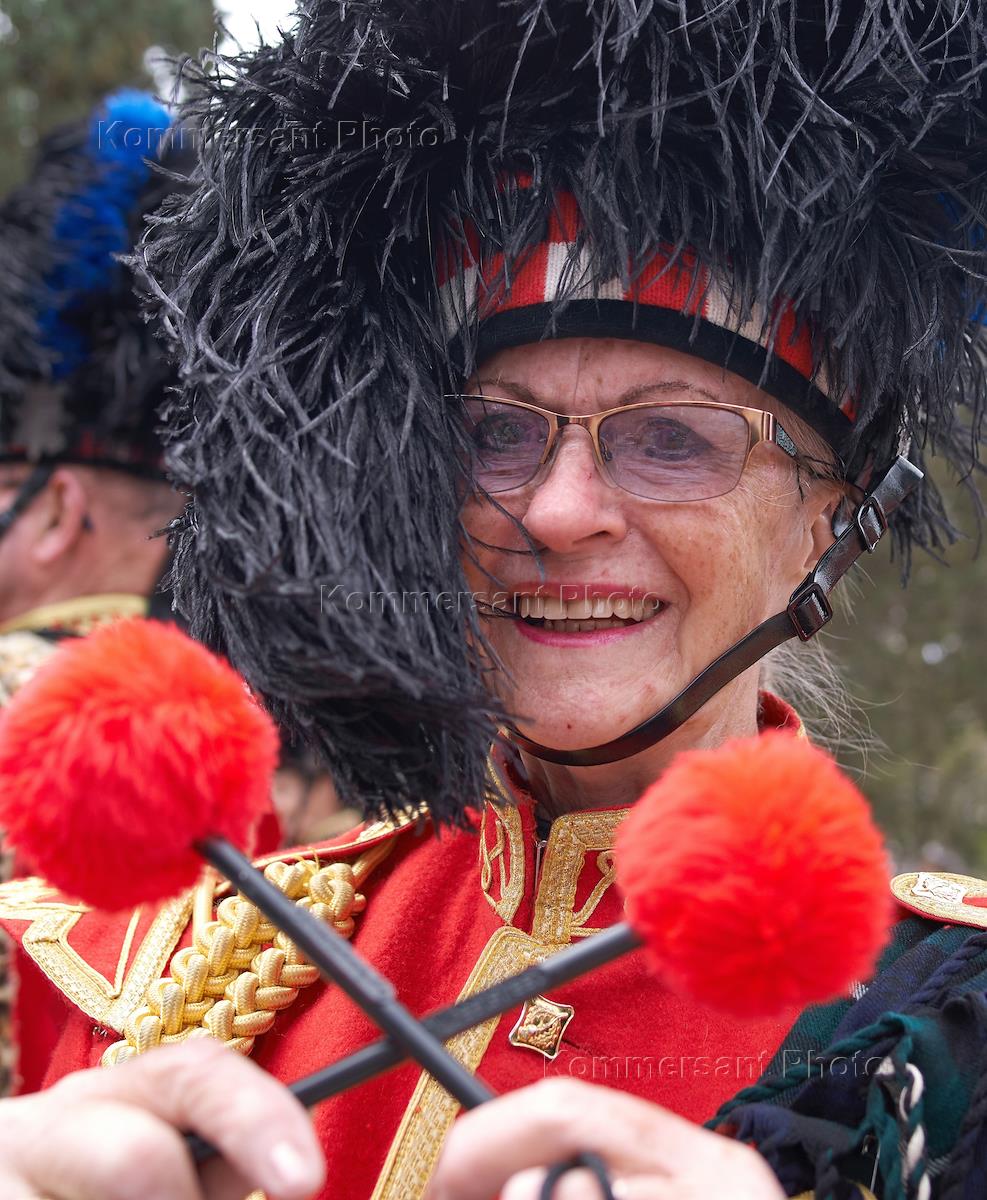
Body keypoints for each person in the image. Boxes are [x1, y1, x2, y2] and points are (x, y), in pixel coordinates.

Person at [1, 3, 987, 1198]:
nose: (561, 511)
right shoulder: (164, 970)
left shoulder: (946, 1032)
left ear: (828, 521)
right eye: (493, 436)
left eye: (673, 440)